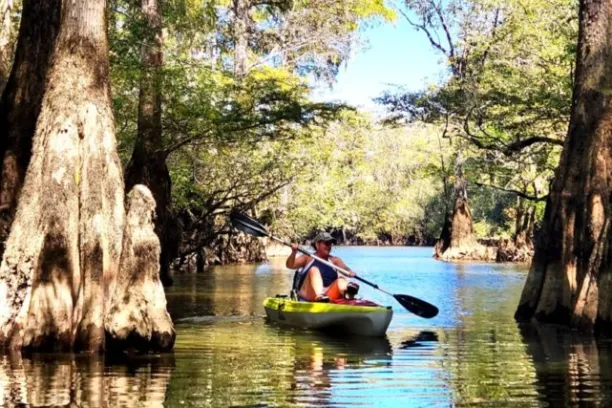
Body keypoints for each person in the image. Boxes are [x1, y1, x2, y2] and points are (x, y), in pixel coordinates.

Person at [285, 232, 356, 301]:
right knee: (314, 270)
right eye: (326, 243)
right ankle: (320, 296)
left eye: (330, 244)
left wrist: (350, 272)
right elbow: (290, 265)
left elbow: (345, 269)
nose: (329, 246)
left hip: (327, 294)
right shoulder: (307, 258)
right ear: (317, 245)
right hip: (309, 294)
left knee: (341, 280)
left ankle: (348, 295)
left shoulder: (335, 260)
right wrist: (293, 253)